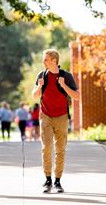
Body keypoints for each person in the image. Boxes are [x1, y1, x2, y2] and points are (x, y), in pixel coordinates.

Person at [32, 49, 79, 194]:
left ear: (54, 61)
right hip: (45, 115)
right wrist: (39, 86)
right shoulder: (42, 75)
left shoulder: (66, 76)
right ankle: (48, 179)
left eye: (46, 59)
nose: (43, 62)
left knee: (60, 150)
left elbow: (76, 96)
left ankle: (58, 181)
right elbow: (34, 96)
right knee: (46, 147)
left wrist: (64, 85)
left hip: (62, 117)